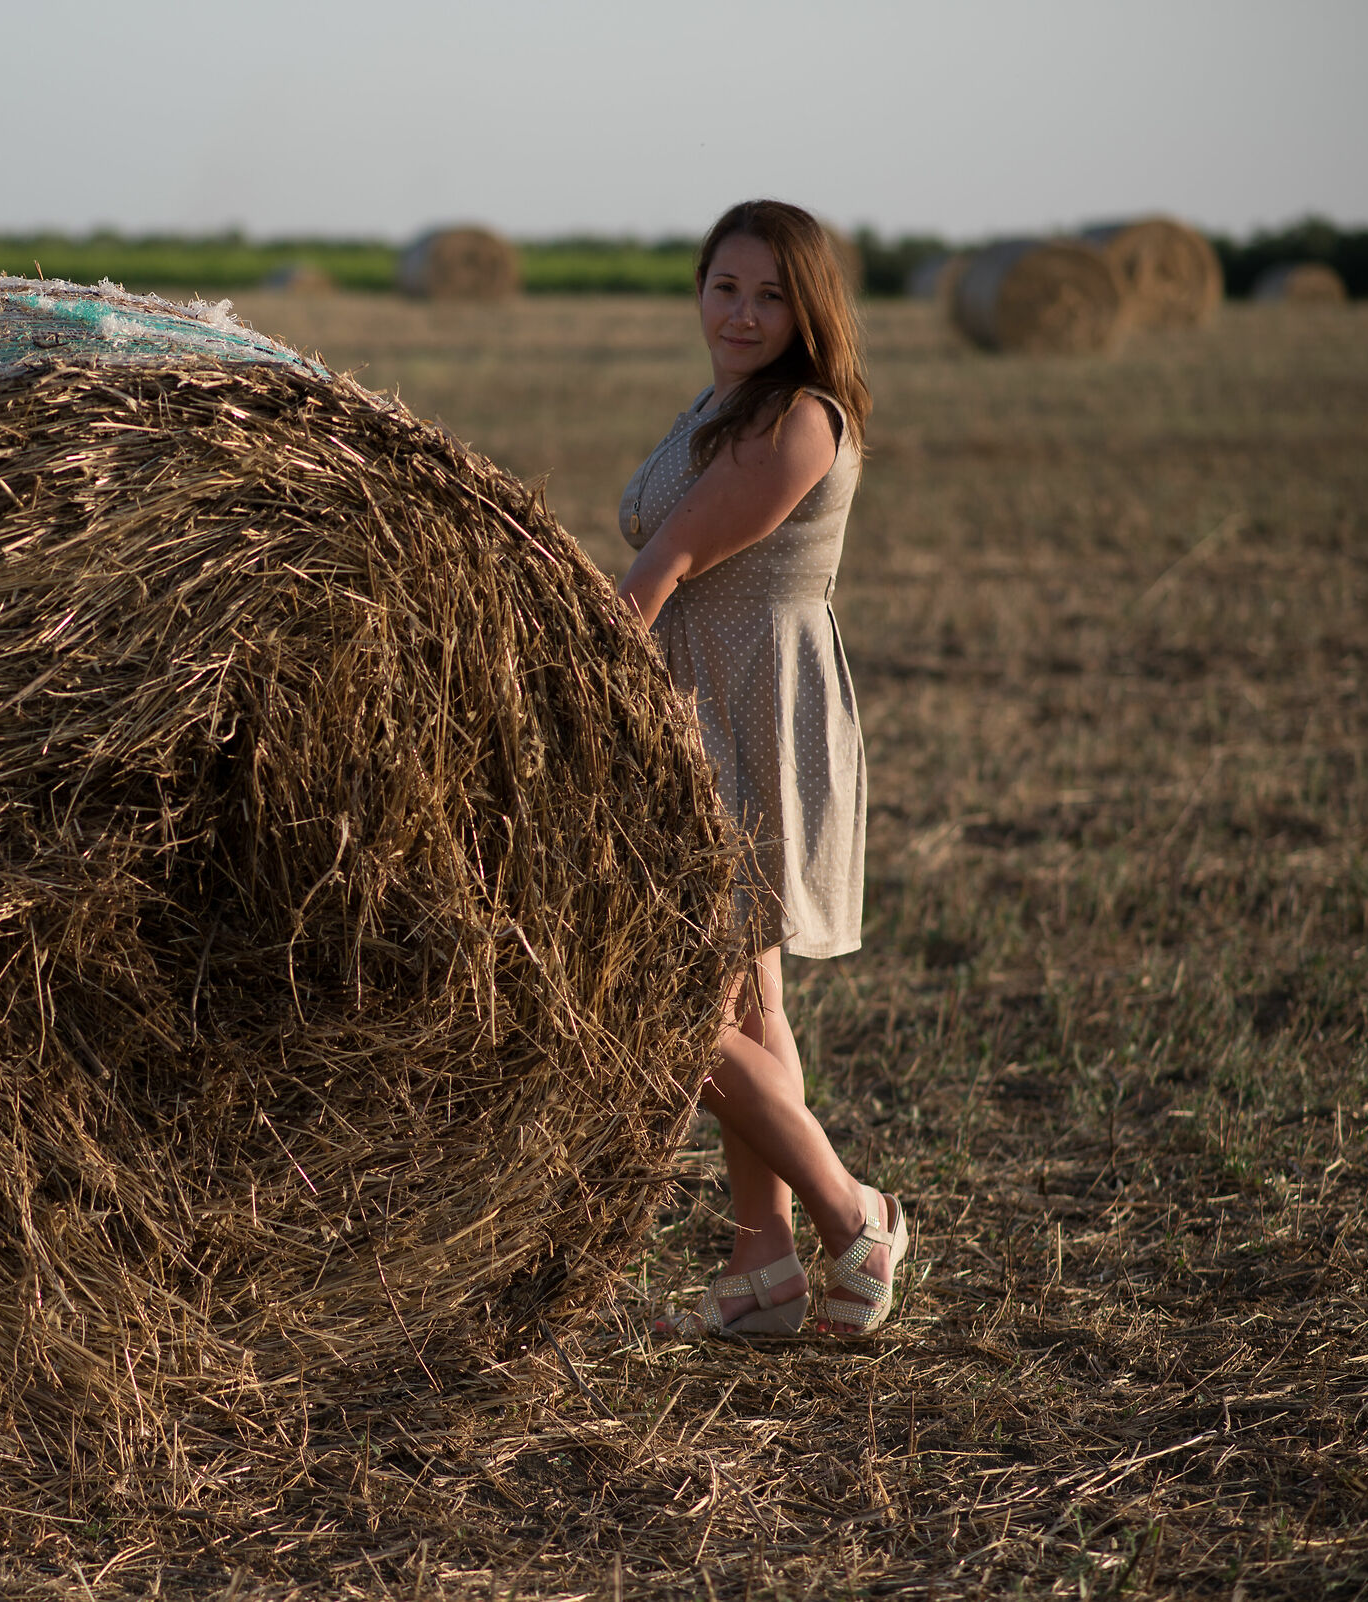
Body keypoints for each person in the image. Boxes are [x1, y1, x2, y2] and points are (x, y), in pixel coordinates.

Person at [616, 199, 910, 1336]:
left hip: (751, 717)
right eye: (724, 287)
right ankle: (763, 1269)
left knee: (669, 999)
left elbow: (673, 554)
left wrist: (567, 676)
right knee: (742, 995)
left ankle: (851, 1215)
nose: (741, 312)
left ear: (809, 307)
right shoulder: (722, 405)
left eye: (769, 294)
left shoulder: (801, 420)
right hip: (698, 709)